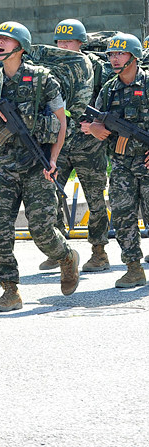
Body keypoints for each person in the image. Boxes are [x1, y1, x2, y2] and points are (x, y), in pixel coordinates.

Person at [0, 21, 81, 311]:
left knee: (42, 231)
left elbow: (61, 122)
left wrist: (52, 159)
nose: (0, 43)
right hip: (4, 166)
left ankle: (65, 257)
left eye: (7, 39)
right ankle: (10, 290)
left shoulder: (41, 79)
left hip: (36, 166)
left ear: (20, 47)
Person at [40, 19, 110, 272]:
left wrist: (96, 123)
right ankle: (59, 250)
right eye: (59, 41)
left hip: (90, 144)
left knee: (95, 199)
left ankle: (99, 251)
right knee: (50, 193)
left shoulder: (98, 68)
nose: (63, 45)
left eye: (68, 41)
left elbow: (111, 98)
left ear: (81, 42)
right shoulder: (49, 67)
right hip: (60, 143)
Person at [84, 32, 147, 288]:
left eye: (120, 54)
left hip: (146, 159)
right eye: (111, 54)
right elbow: (96, 120)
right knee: (122, 216)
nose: (114, 59)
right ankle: (133, 268)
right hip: (122, 164)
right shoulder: (109, 89)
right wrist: (95, 129)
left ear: (134, 56)